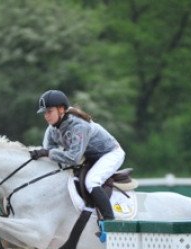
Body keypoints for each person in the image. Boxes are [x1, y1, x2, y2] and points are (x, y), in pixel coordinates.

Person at [29, 89, 125, 222]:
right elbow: (48, 153)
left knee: (92, 181)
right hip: (89, 157)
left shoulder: (79, 126)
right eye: (44, 112)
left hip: (110, 153)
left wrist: (47, 153)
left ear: (61, 109)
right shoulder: (52, 130)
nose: (46, 115)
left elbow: (73, 158)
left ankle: (109, 222)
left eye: (49, 111)